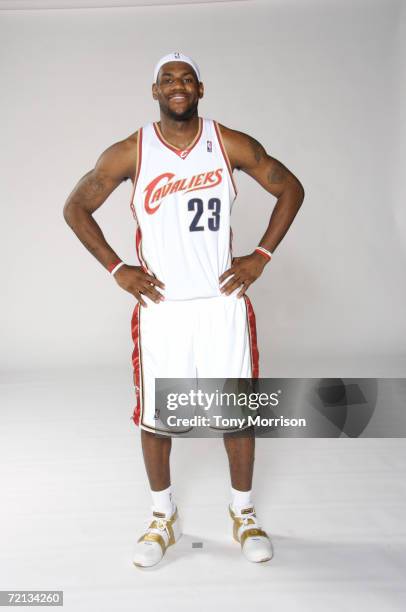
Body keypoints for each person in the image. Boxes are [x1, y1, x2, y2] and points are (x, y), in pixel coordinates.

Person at [63, 52, 304, 568]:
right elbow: (75, 208)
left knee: (237, 415)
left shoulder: (229, 142)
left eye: (186, 79)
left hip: (222, 302)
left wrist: (261, 256)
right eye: (167, 80)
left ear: (201, 88)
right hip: (163, 306)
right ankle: (162, 516)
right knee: (157, 418)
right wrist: (116, 269)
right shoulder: (130, 152)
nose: (178, 86)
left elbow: (290, 188)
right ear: (155, 91)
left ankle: (243, 512)